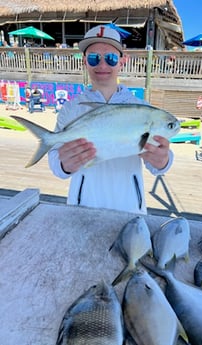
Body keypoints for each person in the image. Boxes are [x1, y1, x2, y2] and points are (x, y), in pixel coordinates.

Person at [48, 25, 174, 214]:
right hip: (82, 207)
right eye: (93, 58)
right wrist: (63, 164)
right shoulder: (71, 109)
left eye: (111, 58)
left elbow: (157, 167)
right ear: (85, 62)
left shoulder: (142, 109)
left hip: (130, 208)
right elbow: (55, 161)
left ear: (122, 61)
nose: (102, 65)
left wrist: (163, 159)